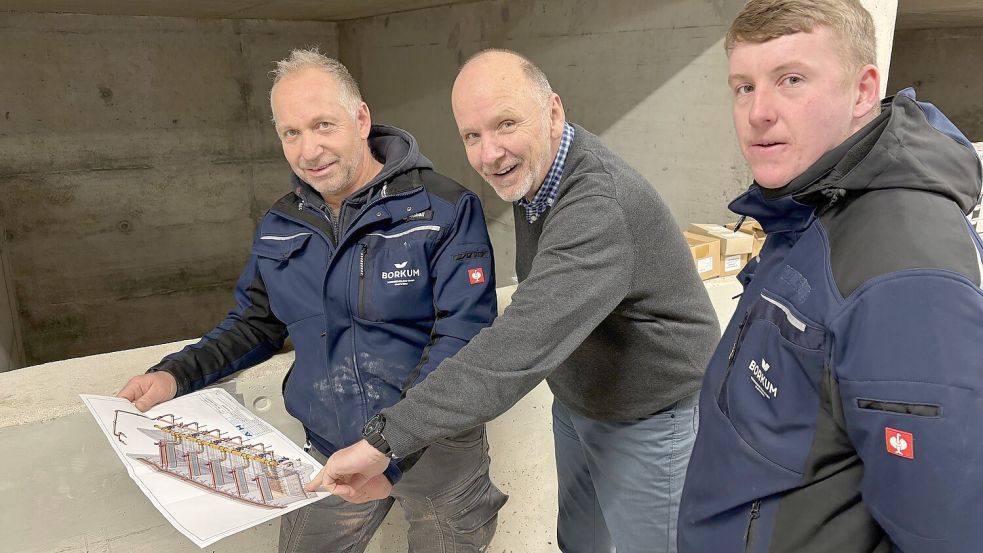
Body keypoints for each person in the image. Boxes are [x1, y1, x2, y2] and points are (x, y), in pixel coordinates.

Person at [314, 49, 721, 553]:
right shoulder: (540, 175)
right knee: (580, 542)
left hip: (650, 410)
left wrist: (384, 440)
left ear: (553, 113)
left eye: (506, 123)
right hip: (581, 398)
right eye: (472, 135)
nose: (490, 154)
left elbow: (521, 342)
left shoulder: (597, 205)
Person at [116, 48, 507, 553]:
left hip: (436, 452)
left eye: (323, 125)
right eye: (291, 133)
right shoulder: (281, 226)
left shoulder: (443, 210)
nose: (309, 150)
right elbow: (255, 324)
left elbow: (464, 337)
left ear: (361, 118)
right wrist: (176, 373)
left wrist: (389, 448)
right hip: (332, 451)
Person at [676, 1, 983, 552]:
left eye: (790, 79)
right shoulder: (810, 205)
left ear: (864, 91)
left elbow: (947, 530)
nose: (757, 112)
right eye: (743, 87)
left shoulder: (903, 274)